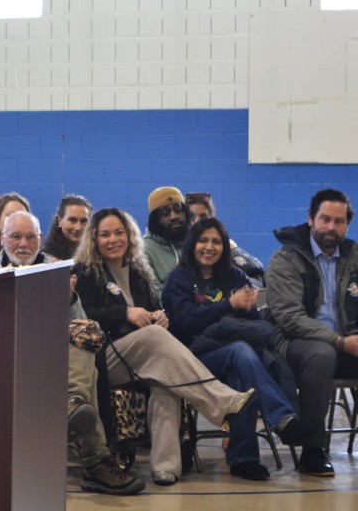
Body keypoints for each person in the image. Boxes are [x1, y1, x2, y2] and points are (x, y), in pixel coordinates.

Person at [74, 207, 256, 486]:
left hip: (140, 356)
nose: (113, 240)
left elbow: (154, 309)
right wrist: (125, 313)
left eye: (119, 233)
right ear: (94, 240)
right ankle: (222, 402)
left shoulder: (137, 272)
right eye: (105, 234)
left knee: (167, 380)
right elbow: (84, 318)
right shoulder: (85, 273)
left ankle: (166, 468)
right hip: (102, 359)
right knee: (155, 340)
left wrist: (160, 316)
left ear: (129, 236)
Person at [0, 210, 144, 494]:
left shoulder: (57, 270)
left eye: (30, 237)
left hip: (53, 355)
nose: (23, 244)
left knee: (85, 338)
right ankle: (96, 460)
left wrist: (67, 299)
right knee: (84, 369)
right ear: (2, 239)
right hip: (9, 356)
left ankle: (75, 405)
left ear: (40, 239)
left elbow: (79, 325)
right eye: (15, 237)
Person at [163, 217, 303, 480]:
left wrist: (244, 308)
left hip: (237, 355)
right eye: (203, 240)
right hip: (193, 357)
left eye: (216, 241)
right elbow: (186, 321)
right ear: (192, 244)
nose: (209, 247)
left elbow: (255, 327)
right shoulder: (179, 278)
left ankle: (243, 458)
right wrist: (228, 305)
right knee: (241, 352)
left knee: (243, 370)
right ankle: (282, 418)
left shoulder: (236, 275)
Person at [265, 188, 358, 477]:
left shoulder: (354, 256)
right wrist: (341, 341)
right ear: (310, 219)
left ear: (347, 223)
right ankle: (314, 450)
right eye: (325, 219)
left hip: (348, 342)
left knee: (328, 353)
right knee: (322, 354)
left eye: (339, 221)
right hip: (296, 344)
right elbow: (290, 319)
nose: (331, 227)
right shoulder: (285, 259)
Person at [184, 191, 266, 287]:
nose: (196, 222)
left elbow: (255, 274)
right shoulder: (174, 247)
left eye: (203, 216)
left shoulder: (226, 244)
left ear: (211, 217)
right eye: (191, 217)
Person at [142, 186, 188, 293]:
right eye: (165, 212)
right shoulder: (145, 250)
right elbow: (155, 293)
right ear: (155, 220)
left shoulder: (196, 243)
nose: (174, 216)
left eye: (178, 210)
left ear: (186, 213)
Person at [42, 194, 93, 263]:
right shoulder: (46, 259)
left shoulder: (97, 256)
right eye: (72, 220)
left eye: (84, 221)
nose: (78, 227)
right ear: (59, 221)